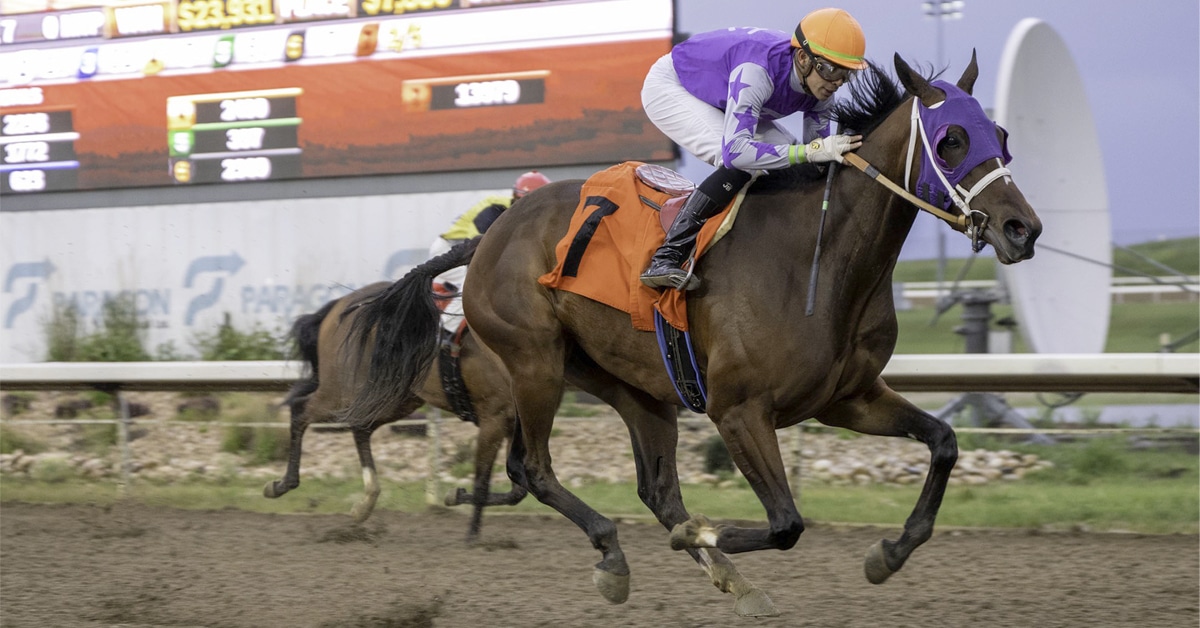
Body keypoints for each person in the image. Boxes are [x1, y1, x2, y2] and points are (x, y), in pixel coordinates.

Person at [639, 7, 868, 290]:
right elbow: (737, 152)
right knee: (744, 161)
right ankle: (667, 255)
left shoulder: (821, 89)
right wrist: (810, 152)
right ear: (803, 58)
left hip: (722, 92)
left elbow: (816, 163)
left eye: (846, 74)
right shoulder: (757, 71)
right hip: (674, 86)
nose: (837, 83)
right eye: (831, 69)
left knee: (791, 159)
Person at [429, 170, 552, 335]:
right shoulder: (495, 208)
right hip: (452, 251)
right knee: (472, 287)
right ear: (517, 198)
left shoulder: (524, 217)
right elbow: (478, 244)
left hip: (467, 251)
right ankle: (443, 333)